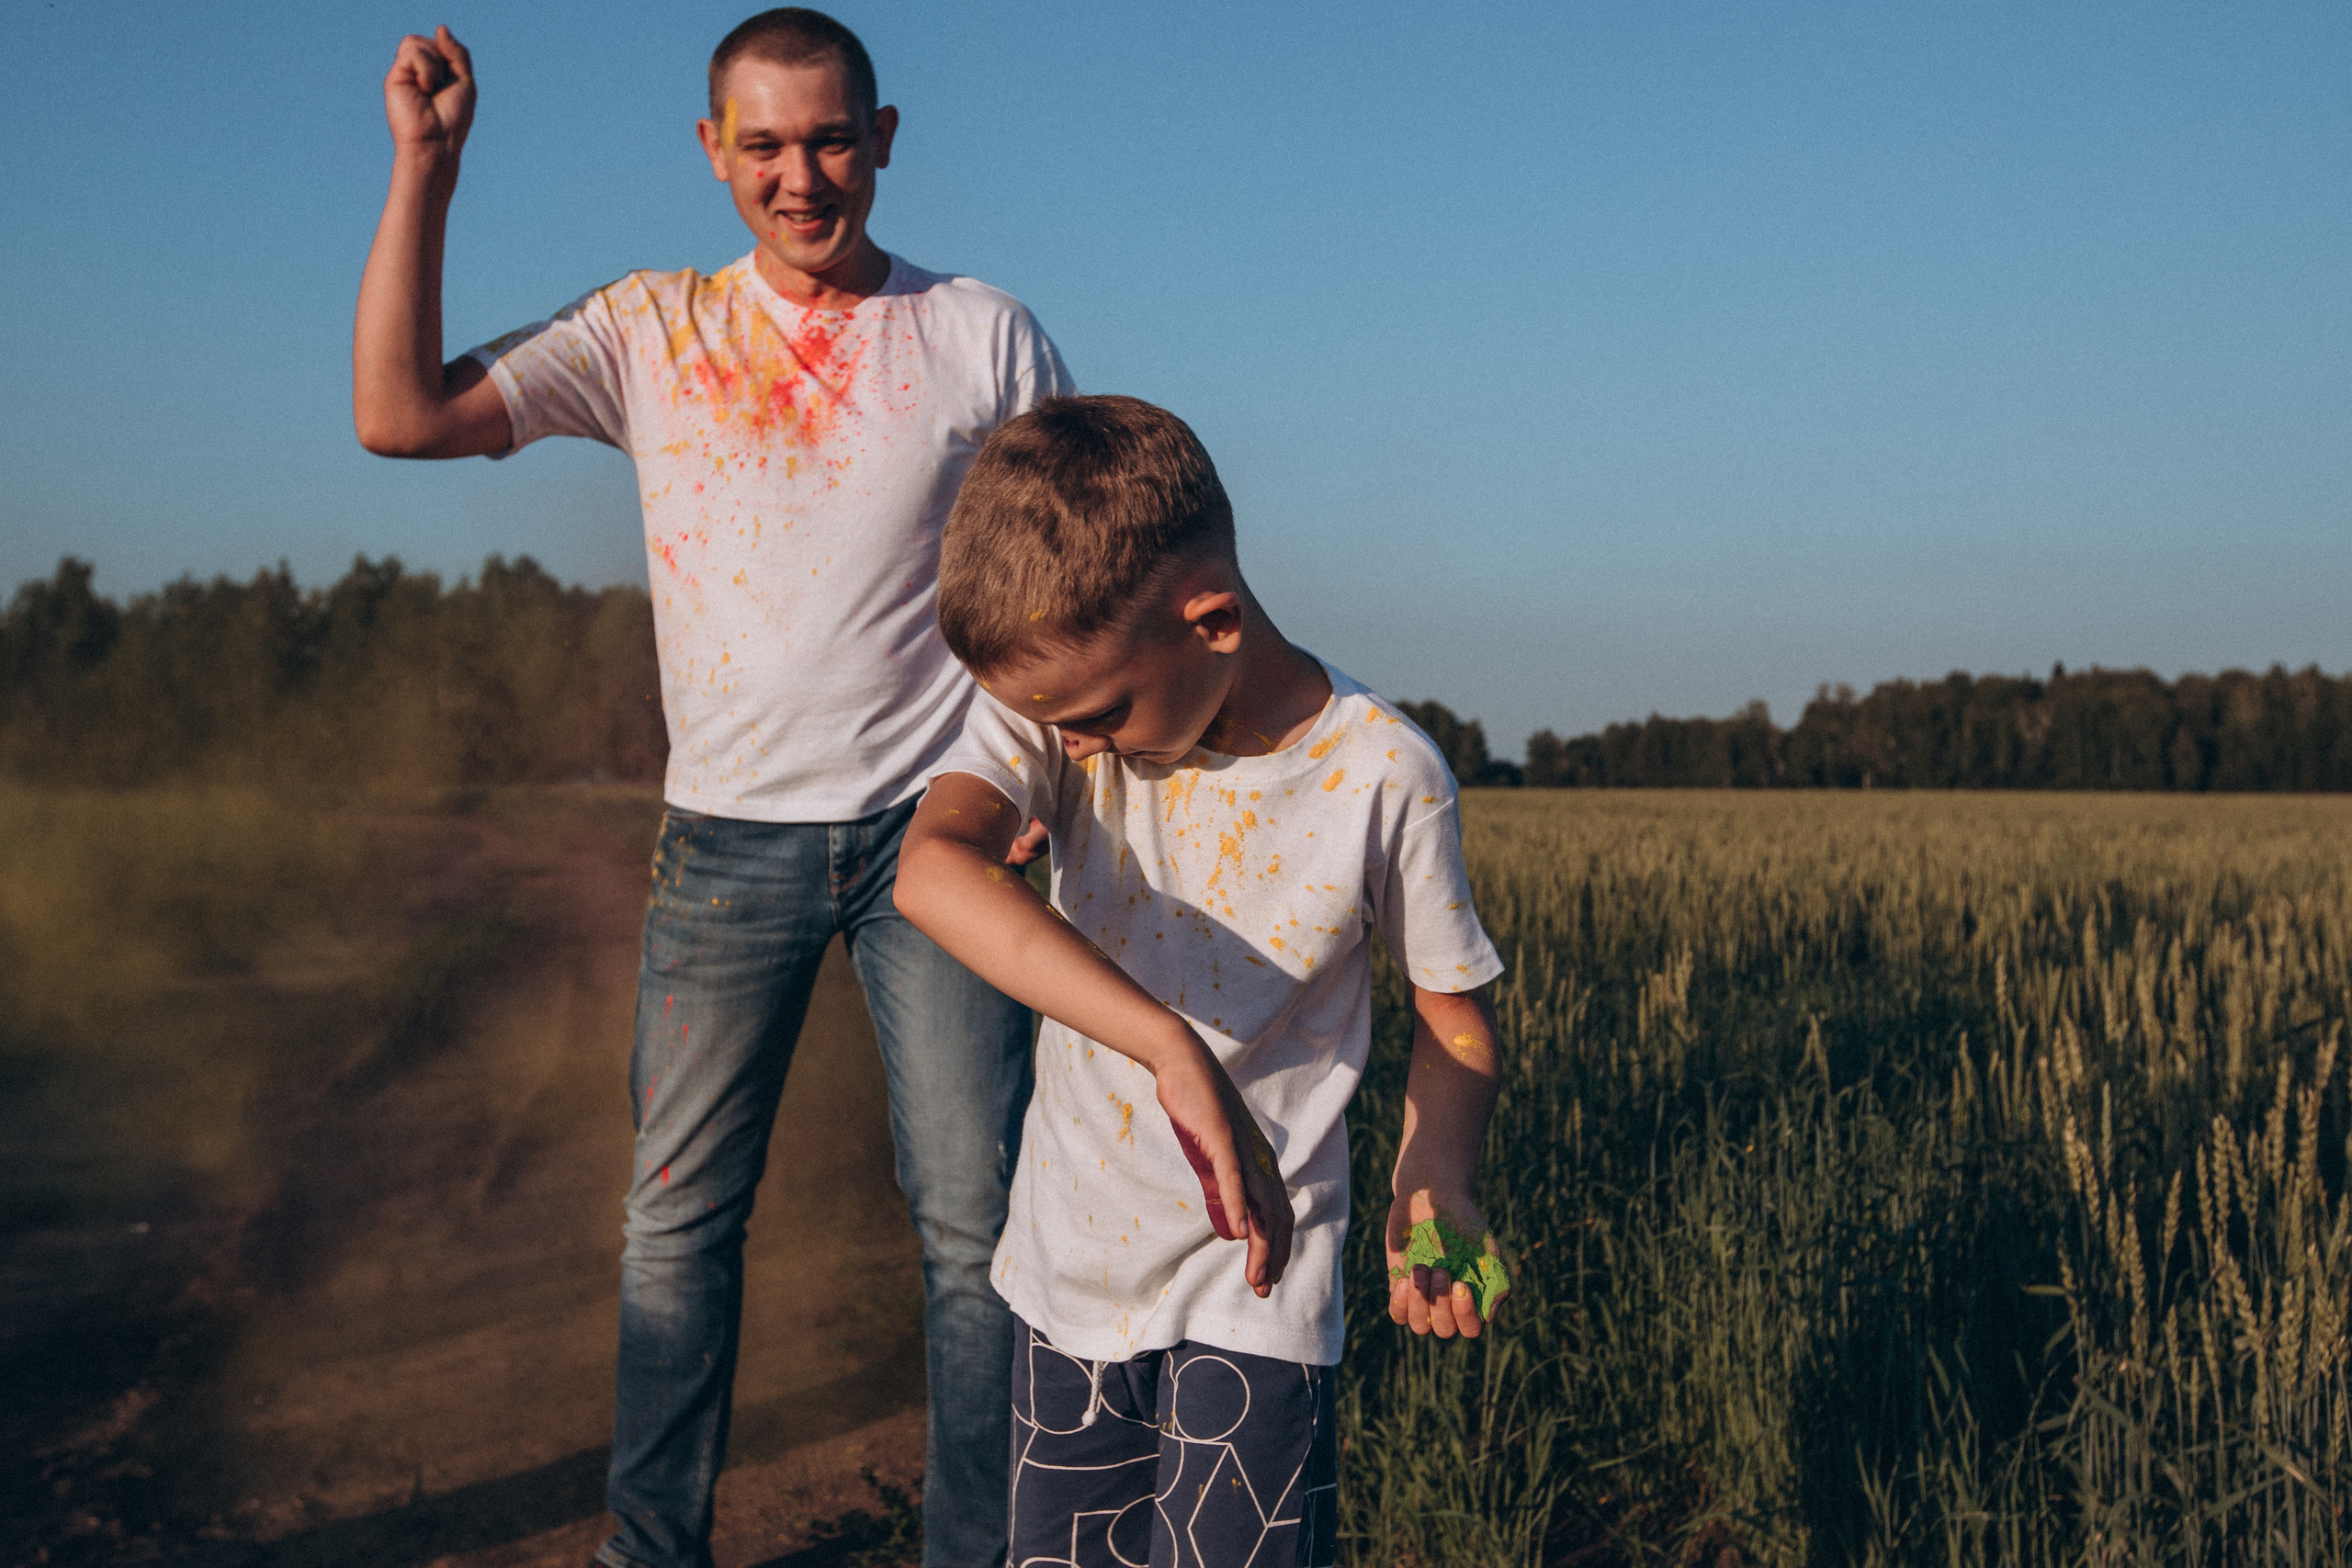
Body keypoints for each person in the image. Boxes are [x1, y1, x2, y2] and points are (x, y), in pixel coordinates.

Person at [351, 12, 1071, 1567]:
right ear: (711, 152)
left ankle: (983, 1549)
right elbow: (398, 417)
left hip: (936, 848)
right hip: (727, 849)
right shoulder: (648, 329)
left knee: (974, 1231)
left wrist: (1043, 793)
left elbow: (1062, 592)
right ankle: (649, 1548)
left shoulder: (985, 335)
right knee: (677, 1227)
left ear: (883, 138)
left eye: (830, 140)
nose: (801, 177)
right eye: (765, 145)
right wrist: (429, 170)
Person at [892, 395, 1512, 1567]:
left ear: (1214, 621)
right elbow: (931, 873)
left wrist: (1437, 1174)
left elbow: (1454, 1018)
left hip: (1261, 1279)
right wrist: (1171, 1047)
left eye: (1098, 717)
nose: (1074, 748)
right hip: (1069, 1270)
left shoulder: (1385, 774)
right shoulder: (1057, 710)